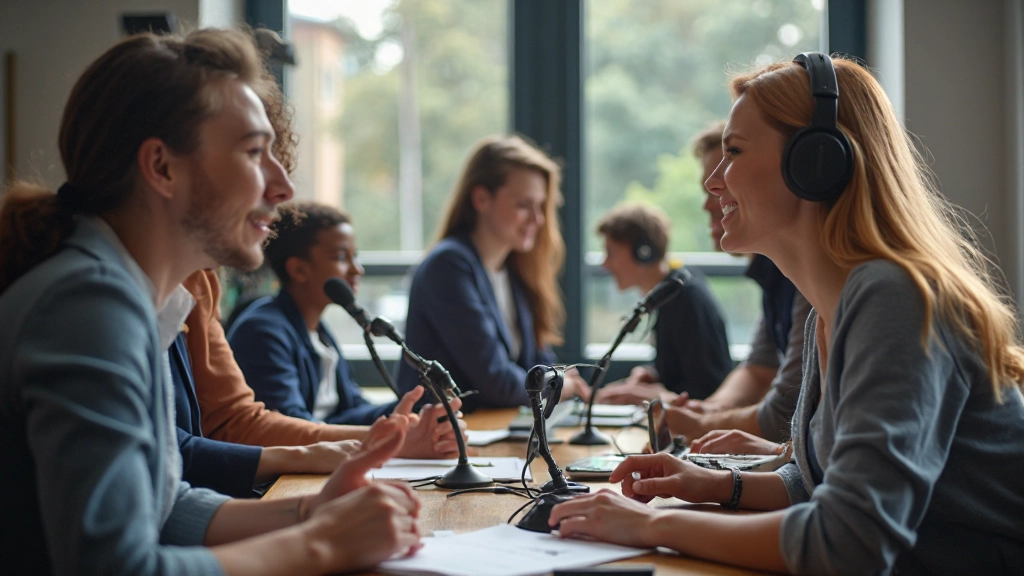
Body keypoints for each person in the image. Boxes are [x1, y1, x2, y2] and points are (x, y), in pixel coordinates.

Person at [549, 53, 1024, 574]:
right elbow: (818, 481)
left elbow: (849, 542)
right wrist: (715, 483)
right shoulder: (827, 309)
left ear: (816, 163)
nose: (714, 183)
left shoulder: (895, 298)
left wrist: (651, 526)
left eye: (734, 152)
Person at [0, 29, 421, 574]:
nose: (283, 187)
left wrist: (310, 510)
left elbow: (165, 505)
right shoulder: (89, 305)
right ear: (162, 167)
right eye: (254, 152)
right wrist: (321, 544)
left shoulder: (136, 298)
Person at [228, 201, 468, 430]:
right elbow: (291, 426)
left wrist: (414, 410)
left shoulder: (319, 332)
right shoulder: (263, 333)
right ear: (299, 270)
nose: (357, 269)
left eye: (356, 256)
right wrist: (384, 430)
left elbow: (351, 409)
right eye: (341, 257)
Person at [395, 135, 588, 412]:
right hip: (448, 433)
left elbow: (537, 362)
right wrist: (561, 386)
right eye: (524, 205)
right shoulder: (448, 266)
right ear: (481, 199)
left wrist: (562, 380)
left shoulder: (513, 271)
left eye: (540, 206)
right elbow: (496, 381)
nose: (538, 219)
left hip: (494, 429)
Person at [657, 120, 811, 453]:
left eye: (729, 169)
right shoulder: (775, 273)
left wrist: (699, 425)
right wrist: (708, 410)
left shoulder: (814, 280)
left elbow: (787, 410)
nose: (708, 200)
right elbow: (759, 368)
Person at [591, 203, 732, 403]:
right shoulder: (669, 296)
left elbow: (707, 391)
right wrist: (653, 375)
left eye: (610, 253)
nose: (605, 264)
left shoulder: (687, 299)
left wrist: (655, 396)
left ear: (643, 252)